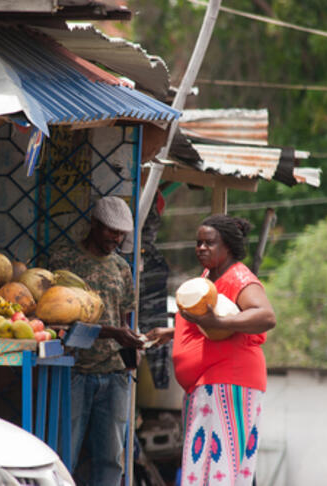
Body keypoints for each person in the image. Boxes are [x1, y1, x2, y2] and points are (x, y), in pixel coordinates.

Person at [145, 214, 276, 486]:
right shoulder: (210, 276)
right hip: (208, 384)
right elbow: (207, 325)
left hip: (230, 382)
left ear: (227, 246)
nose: (201, 248)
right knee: (205, 468)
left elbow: (265, 316)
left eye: (210, 243)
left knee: (221, 469)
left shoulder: (239, 276)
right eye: (198, 242)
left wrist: (219, 322)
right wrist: (171, 333)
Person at [49, 195, 144, 486]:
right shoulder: (64, 261)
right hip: (74, 371)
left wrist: (131, 345)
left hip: (114, 375)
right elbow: (55, 317)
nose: (116, 239)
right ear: (94, 224)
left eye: (121, 234)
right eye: (111, 231)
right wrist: (113, 332)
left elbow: (125, 317)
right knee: (65, 454)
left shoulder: (121, 268)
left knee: (111, 458)